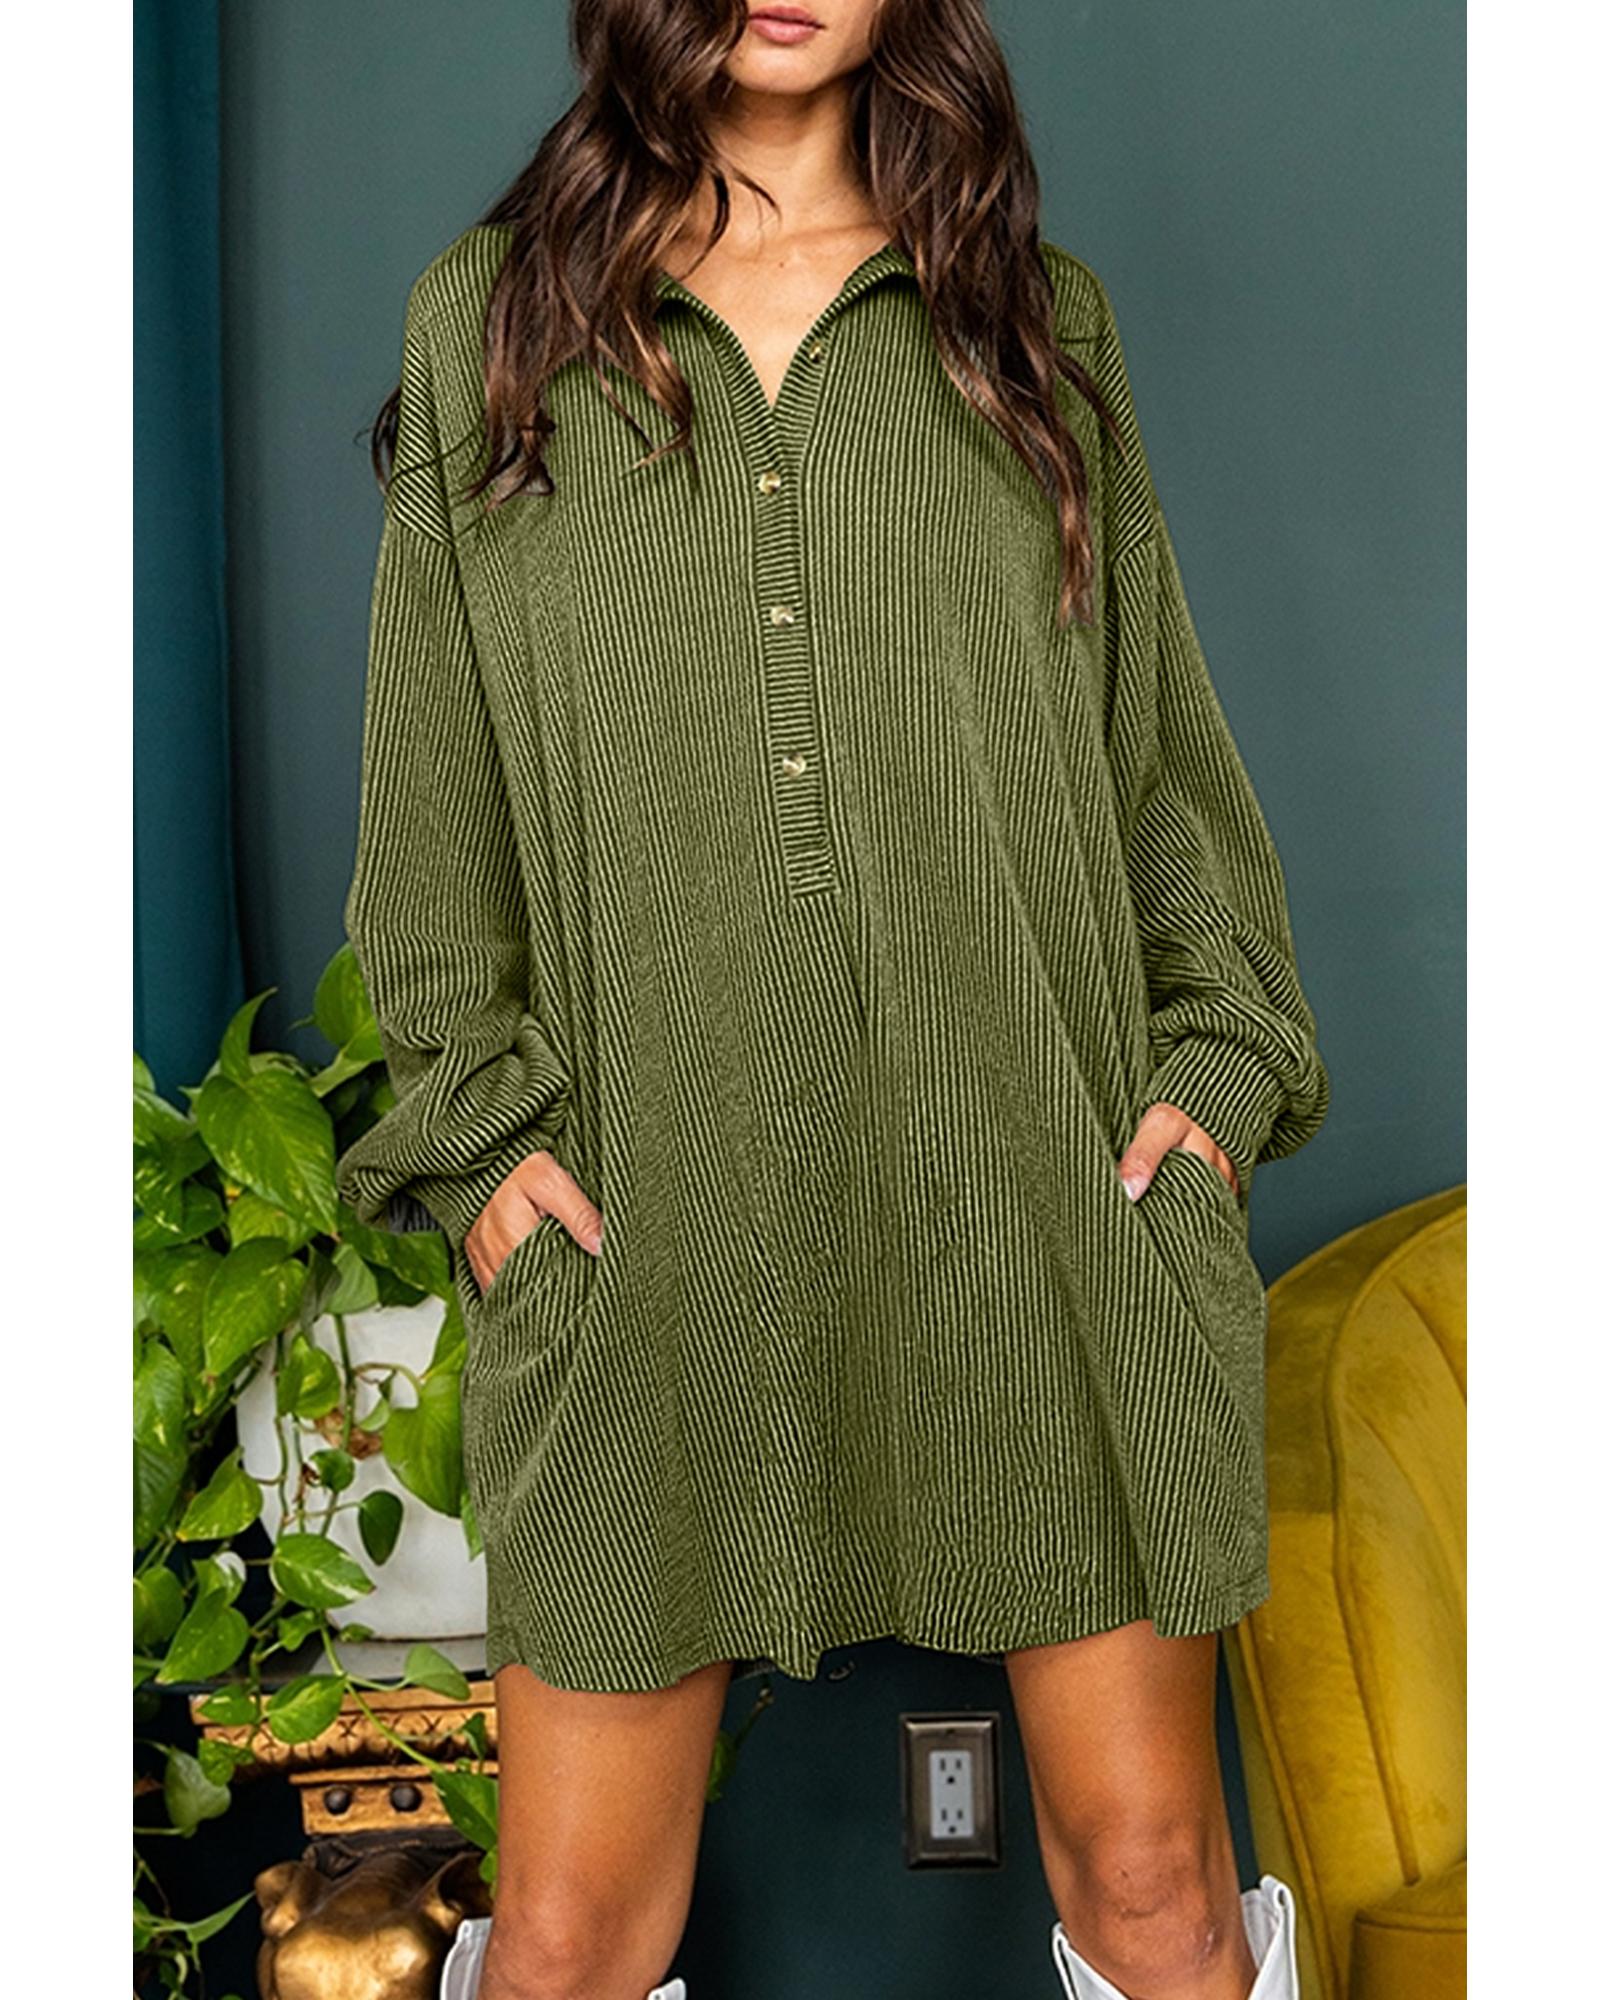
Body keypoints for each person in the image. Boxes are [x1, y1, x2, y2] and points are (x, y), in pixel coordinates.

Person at [335, 4, 1330, 1997]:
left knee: (1155, 1890)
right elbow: (431, 783)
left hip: (1039, 1202)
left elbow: (1147, 753)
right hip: (651, 1216)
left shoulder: (1027, 316)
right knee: (565, 1939)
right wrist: (482, 1141)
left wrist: (1215, 1067)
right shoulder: (497, 321)